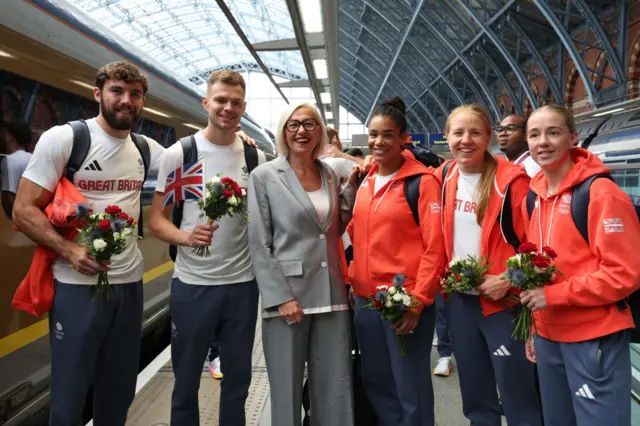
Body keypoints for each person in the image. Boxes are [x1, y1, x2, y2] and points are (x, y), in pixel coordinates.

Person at [12, 61, 165, 426]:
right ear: (98, 94)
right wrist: (70, 251)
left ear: (142, 101)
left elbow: (200, 161)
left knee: (118, 391)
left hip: (128, 287)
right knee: (69, 396)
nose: (126, 100)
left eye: (135, 94)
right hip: (76, 286)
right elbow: (22, 210)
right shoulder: (66, 139)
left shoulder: (146, 148)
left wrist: (239, 139)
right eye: (117, 91)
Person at [150, 70, 266, 426]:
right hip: (193, 285)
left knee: (238, 382)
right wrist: (186, 237)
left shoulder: (254, 158)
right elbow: (156, 220)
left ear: (243, 107)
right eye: (220, 100)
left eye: (235, 102)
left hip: (241, 286)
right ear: (206, 103)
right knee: (185, 381)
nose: (228, 108)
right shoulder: (180, 154)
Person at [521, 104, 640, 426]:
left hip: (592, 338)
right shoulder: (534, 198)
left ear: (573, 137)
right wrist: (535, 326)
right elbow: (537, 270)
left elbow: (624, 274)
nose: (542, 141)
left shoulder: (601, 194)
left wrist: (555, 296)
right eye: (534, 134)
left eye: (553, 132)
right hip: (549, 337)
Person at [247, 102, 357, 426]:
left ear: (320, 131)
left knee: (336, 387)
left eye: (310, 124)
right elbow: (259, 241)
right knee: (286, 388)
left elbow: (338, 227)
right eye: (293, 125)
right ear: (283, 131)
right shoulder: (264, 176)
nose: (301, 131)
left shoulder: (330, 174)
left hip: (332, 294)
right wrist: (279, 298)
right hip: (289, 298)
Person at [436, 104, 542, 426]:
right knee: (476, 397)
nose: (466, 140)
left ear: (488, 138)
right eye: (458, 133)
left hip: (503, 305)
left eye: (475, 133)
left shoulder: (512, 181)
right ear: (447, 137)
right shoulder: (442, 176)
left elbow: (537, 243)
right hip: (460, 305)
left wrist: (508, 280)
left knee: (518, 396)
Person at [347, 97, 444, 426]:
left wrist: (417, 301)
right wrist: (352, 280)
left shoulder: (423, 183)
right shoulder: (365, 182)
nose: (378, 142)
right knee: (376, 381)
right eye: (373, 135)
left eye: (387, 134)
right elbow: (356, 235)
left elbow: (435, 247)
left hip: (404, 302)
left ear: (404, 138)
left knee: (410, 385)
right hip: (366, 301)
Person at [1, 119, 32, 219]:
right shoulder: (32, 157)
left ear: (10, 136)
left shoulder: (10, 161)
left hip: (21, 226)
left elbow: (9, 198)